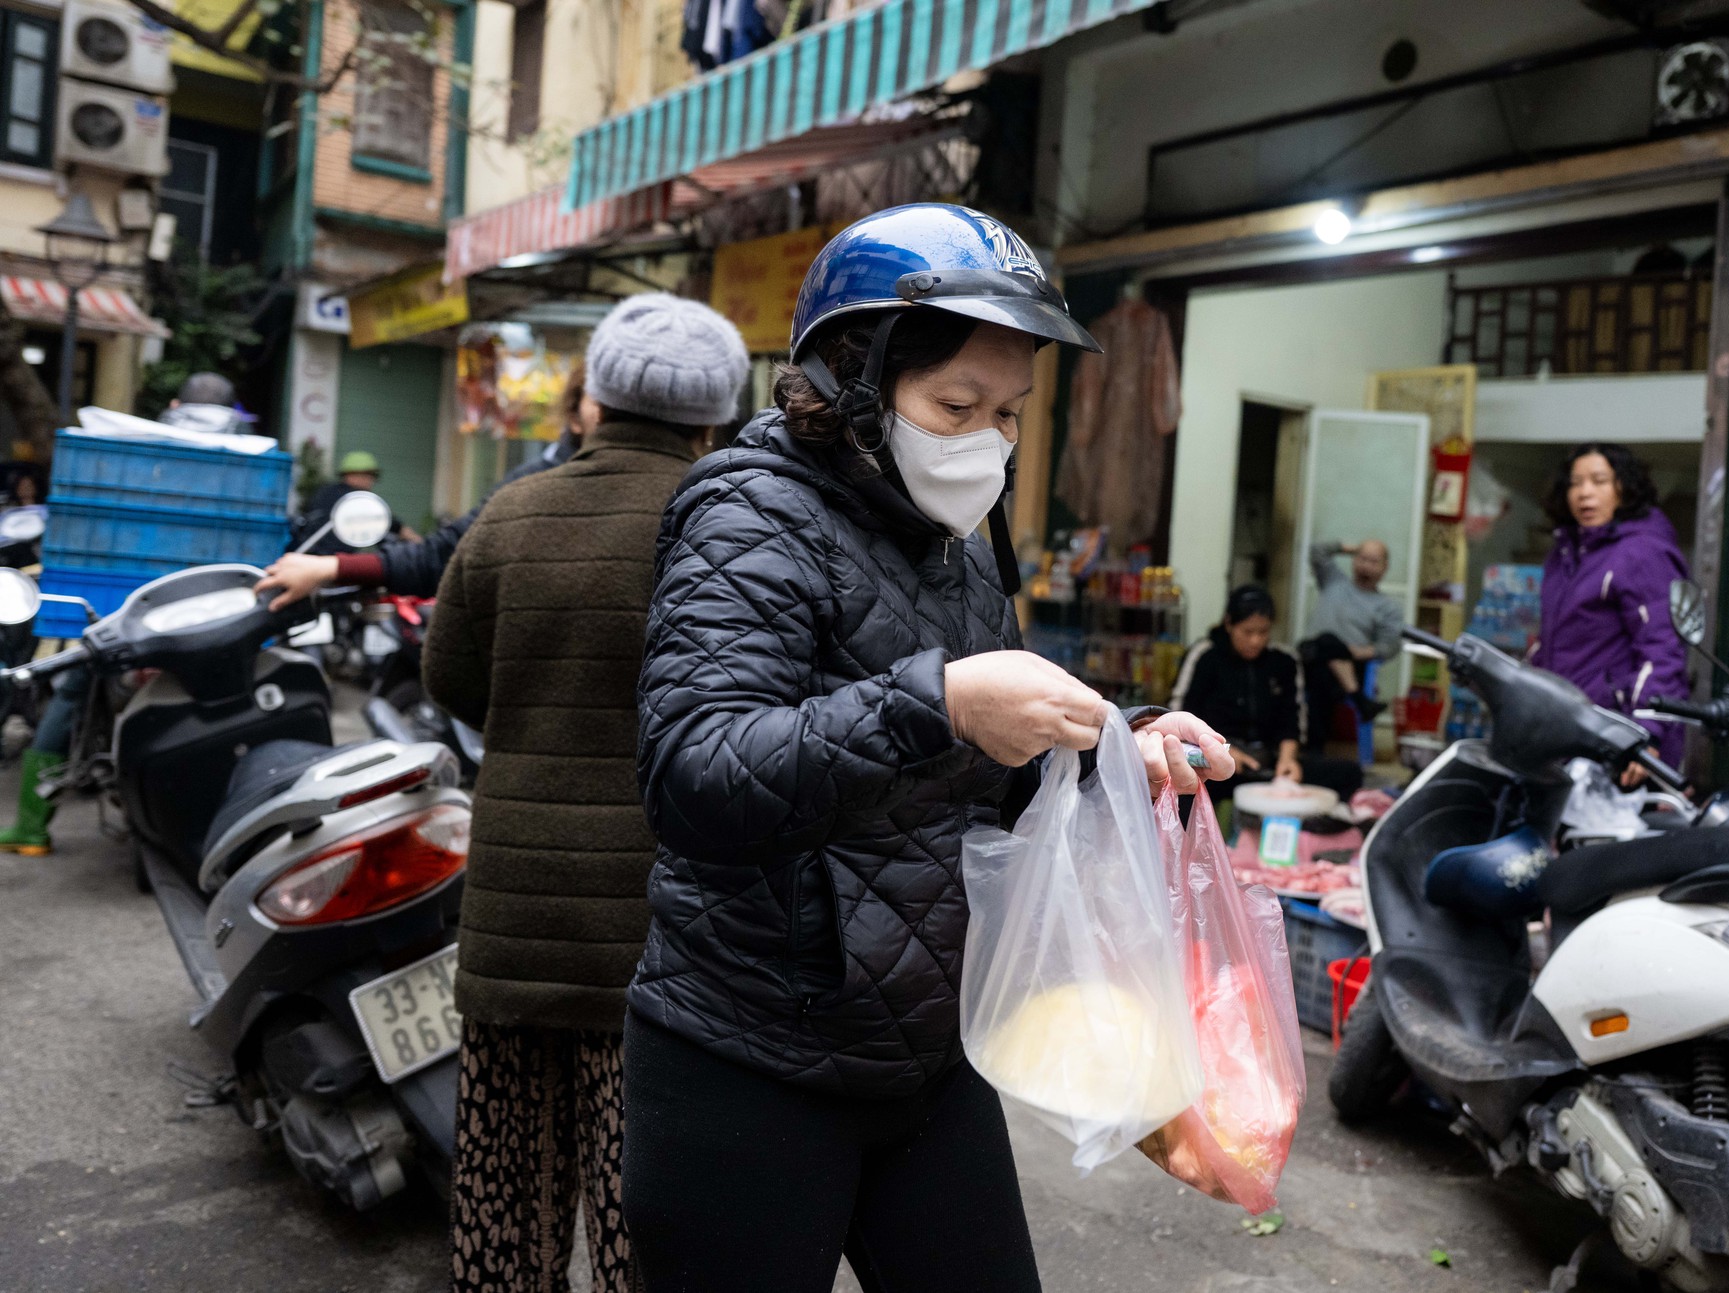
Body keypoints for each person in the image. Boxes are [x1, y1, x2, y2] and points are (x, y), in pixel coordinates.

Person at [620, 203, 1232, 1293]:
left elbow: (975, 775)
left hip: (928, 1051)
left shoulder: (956, 546)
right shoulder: (745, 512)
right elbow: (693, 775)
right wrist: (934, 703)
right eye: (958, 404)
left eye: (1009, 412)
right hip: (749, 1057)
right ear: (854, 381)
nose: (990, 439)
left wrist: (1110, 754)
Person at [422, 294, 749, 1293]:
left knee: (503, 1221)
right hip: (660, 948)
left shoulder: (512, 512)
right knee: (642, 1229)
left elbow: (450, 683)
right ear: (712, 418)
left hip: (513, 930)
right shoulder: (733, 523)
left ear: (593, 400)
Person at [256, 364, 586, 608]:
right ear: (574, 414)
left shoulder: (348, 497)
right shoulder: (537, 484)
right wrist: (333, 566)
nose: (370, 481)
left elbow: (415, 539)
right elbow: (439, 552)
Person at [1534, 441, 1690, 780]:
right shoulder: (1564, 555)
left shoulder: (1642, 553)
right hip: (1567, 733)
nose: (1584, 493)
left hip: (1617, 741)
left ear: (1625, 488)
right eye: (1575, 483)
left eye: (1599, 480)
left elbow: (1663, 650)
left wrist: (1646, 731)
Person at [1171, 584, 1363, 800]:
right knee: (1184, 784)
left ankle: (1308, 831)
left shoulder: (1284, 661)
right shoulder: (1205, 656)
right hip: (1215, 762)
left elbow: (1292, 720)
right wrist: (1223, 753)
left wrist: (1287, 760)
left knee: (1349, 773)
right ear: (1228, 624)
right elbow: (1179, 717)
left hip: (1268, 764)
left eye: (1263, 632)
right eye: (1247, 632)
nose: (1256, 640)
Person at [1303, 538, 1402, 726]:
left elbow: (1391, 645)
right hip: (1310, 654)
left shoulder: (1387, 607)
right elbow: (1317, 548)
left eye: (1374, 561)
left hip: (1350, 664)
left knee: (1323, 671)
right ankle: (1359, 699)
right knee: (1325, 641)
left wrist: (1358, 652)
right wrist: (1352, 548)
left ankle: (1314, 747)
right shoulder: (1333, 580)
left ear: (1385, 567)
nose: (1366, 566)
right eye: (1362, 558)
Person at [298, 451, 421, 550]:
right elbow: (390, 522)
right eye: (369, 476)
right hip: (331, 561)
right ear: (353, 475)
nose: (371, 482)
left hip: (306, 551)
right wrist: (420, 543)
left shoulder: (325, 491)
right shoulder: (358, 500)